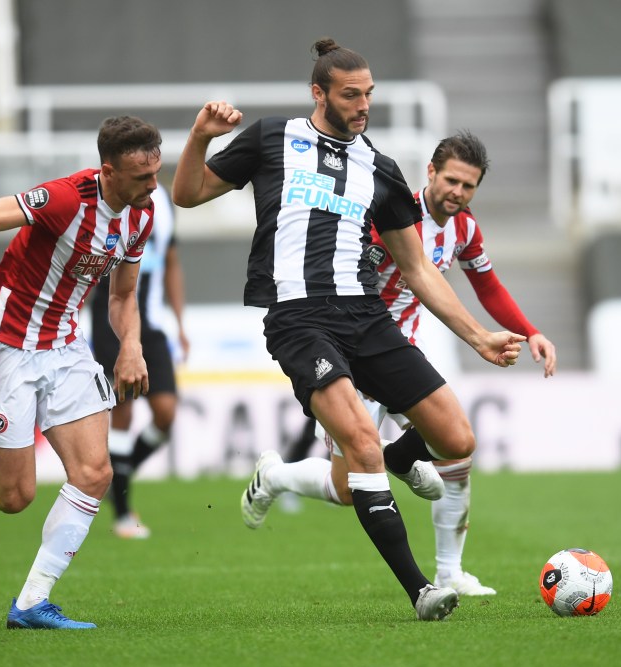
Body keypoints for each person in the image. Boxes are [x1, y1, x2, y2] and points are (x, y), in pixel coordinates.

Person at [171, 37, 526, 621]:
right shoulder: (270, 138)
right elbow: (186, 195)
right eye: (351, 95)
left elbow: (417, 271)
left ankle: (340, 468)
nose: (364, 106)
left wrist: (479, 336)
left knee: (456, 440)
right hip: (299, 318)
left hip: (367, 316)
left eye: (369, 95)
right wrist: (202, 136)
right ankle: (421, 589)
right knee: (362, 443)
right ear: (320, 94)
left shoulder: (380, 169)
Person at [259, 131, 558, 597]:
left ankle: (450, 571)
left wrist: (531, 330)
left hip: (398, 354)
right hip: (351, 351)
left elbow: (488, 286)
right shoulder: (388, 215)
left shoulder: (465, 229)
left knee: (457, 452)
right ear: (431, 173)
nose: (458, 193)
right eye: (452, 181)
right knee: (344, 489)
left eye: (469, 186)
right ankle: (275, 476)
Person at [0, 115, 162, 630]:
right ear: (108, 171)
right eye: (142, 177)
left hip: (66, 347)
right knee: (16, 498)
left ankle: (32, 602)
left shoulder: (141, 216)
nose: (153, 185)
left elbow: (122, 295)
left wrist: (131, 347)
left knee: (95, 473)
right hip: (8, 348)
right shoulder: (63, 199)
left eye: (155, 172)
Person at [89, 183, 189, 539]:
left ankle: (118, 475)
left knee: (165, 413)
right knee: (124, 410)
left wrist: (179, 323)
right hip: (113, 316)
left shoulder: (163, 201)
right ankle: (123, 513)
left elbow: (171, 262)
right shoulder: (111, 199)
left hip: (152, 320)